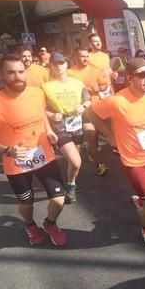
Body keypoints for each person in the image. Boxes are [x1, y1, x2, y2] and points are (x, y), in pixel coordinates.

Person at [0, 55, 68, 247]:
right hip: (17, 164)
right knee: (27, 203)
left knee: (59, 200)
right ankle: (30, 224)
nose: (17, 76)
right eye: (11, 72)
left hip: (44, 156)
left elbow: (41, 112)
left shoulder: (36, 93)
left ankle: (50, 223)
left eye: (20, 71)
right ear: (2, 75)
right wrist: (7, 150)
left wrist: (49, 131)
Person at [87, 58, 145, 248]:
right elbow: (91, 113)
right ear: (130, 78)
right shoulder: (117, 101)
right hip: (134, 162)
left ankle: (141, 201)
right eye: (141, 76)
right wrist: (109, 135)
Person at [41, 52, 90, 204]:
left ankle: (71, 181)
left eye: (61, 63)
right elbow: (40, 108)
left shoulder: (77, 83)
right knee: (76, 161)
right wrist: (50, 114)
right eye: (55, 64)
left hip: (76, 125)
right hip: (60, 127)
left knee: (75, 160)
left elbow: (88, 100)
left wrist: (83, 107)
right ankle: (70, 186)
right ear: (51, 67)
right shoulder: (46, 87)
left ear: (66, 64)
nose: (59, 66)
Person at [68, 48, 111, 176]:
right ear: (75, 57)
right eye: (82, 56)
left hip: (97, 107)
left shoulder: (95, 71)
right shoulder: (70, 73)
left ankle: (92, 152)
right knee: (91, 135)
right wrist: (84, 89)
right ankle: (99, 164)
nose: (85, 58)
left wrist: (99, 88)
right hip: (81, 110)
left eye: (87, 56)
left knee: (96, 134)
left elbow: (104, 86)